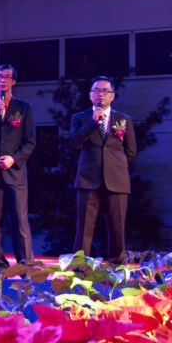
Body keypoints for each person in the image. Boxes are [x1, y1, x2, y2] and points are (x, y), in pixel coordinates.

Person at [67, 76, 137, 264]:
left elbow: (131, 152)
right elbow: (74, 143)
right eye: (96, 90)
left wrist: (116, 167)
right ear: (90, 95)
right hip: (88, 180)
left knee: (117, 227)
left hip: (117, 180)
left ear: (112, 96)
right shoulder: (80, 118)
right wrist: (92, 122)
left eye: (105, 91)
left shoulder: (123, 119)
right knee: (84, 228)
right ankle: (80, 267)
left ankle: (117, 266)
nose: (101, 94)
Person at [0, 64, 38, 276]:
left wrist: (14, 159)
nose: (3, 80)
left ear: (14, 81)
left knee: (20, 220)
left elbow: (30, 141)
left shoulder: (24, 108)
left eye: (7, 77)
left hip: (15, 172)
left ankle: (25, 265)